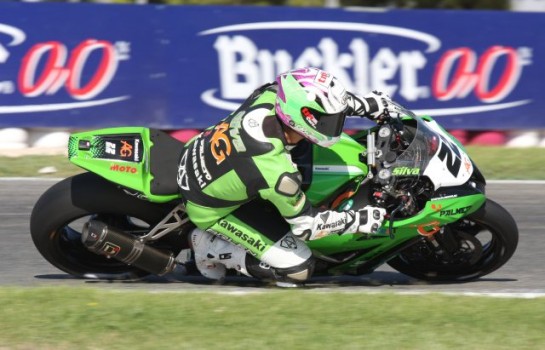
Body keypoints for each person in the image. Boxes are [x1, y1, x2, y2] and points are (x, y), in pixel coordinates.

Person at [177, 67, 403, 286]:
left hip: (199, 152)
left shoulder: (271, 94)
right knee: (298, 269)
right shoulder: (275, 169)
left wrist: (367, 105)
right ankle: (209, 247)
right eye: (328, 121)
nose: (335, 125)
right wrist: (359, 220)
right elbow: (307, 226)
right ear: (300, 117)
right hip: (209, 207)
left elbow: (319, 102)